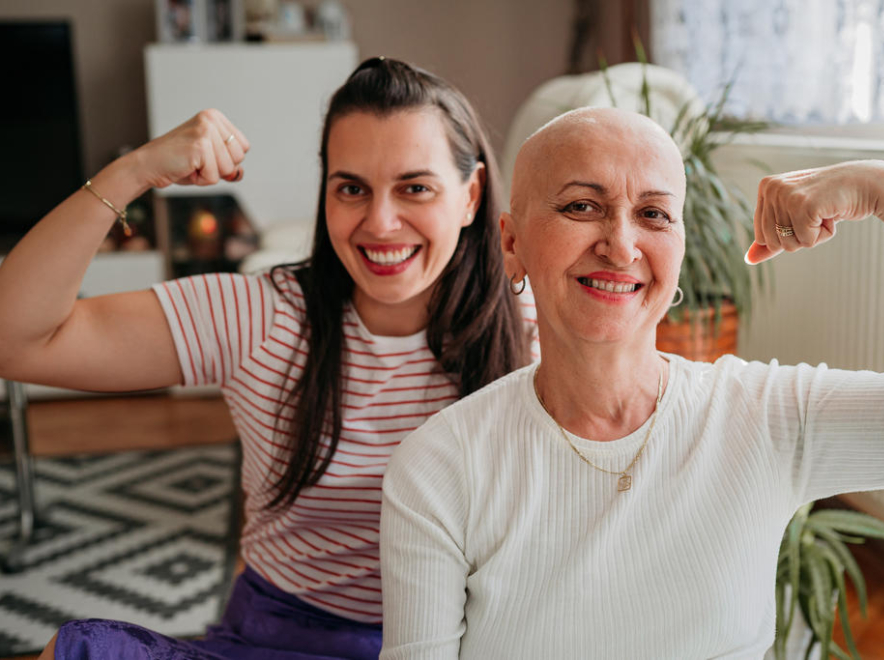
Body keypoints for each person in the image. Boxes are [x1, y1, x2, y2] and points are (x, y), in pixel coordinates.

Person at [378, 107, 884, 659]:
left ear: (681, 248)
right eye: (583, 205)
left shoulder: (771, 417)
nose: (620, 243)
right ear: (512, 242)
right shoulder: (439, 466)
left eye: (654, 214)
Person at [0, 57, 535, 659]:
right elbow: (14, 339)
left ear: (471, 196)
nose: (381, 222)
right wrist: (133, 171)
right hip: (278, 641)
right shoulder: (261, 316)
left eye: (415, 187)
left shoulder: (532, 335)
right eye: (351, 188)